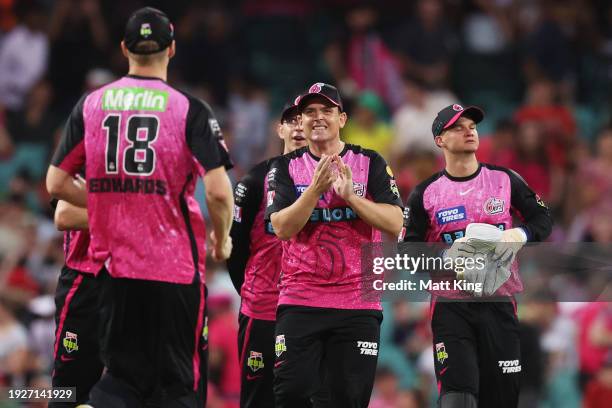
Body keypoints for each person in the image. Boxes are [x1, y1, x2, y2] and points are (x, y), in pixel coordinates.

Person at [46, 7, 234, 407]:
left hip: (116, 271)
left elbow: (56, 184)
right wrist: (221, 239)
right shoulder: (188, 109)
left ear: (122, 48)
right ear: (172, 49)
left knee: (119, 382)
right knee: (177, 387)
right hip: (170, 272)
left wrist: (116, 201)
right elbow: (219, 192)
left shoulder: (92, 106)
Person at [400, 104, 553, 407]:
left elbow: (543, 220)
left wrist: (518, 235)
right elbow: (407, 254)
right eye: (457, 126)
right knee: (458, 397)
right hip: (451, 307)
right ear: (439, 140)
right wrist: (448, 259)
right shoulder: (426, 193)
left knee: (502, 398)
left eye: (472, 125)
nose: (469, 130)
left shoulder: (505, 180)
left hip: (499, 303)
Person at [265, 82, 404, 407]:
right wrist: (313, 191)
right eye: (309, 112)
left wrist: (352, 198)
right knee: (291, 394)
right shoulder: (283, 167)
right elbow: (282, 228)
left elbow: (396, 222)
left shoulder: (370, 162)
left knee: (348, 400)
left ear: (341, 118)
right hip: (301, 300)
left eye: (326, 110)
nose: (317, 117)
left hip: (357, 303)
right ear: (301, 120)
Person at [227, 100, 307, 408]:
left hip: (311, 311)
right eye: (292, 120)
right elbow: (235, 248)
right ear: (280, 128)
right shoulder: (256, 180)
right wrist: (251, 291)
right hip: (263, 310)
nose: (299, 126)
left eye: (305, 119)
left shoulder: (335, 179)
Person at [49, 193, 105, 408]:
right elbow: (64, 216)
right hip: (85, 281)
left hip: (132, 280)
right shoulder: (85, 159)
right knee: (68, 391)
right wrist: (128, 217)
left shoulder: (155, 163)